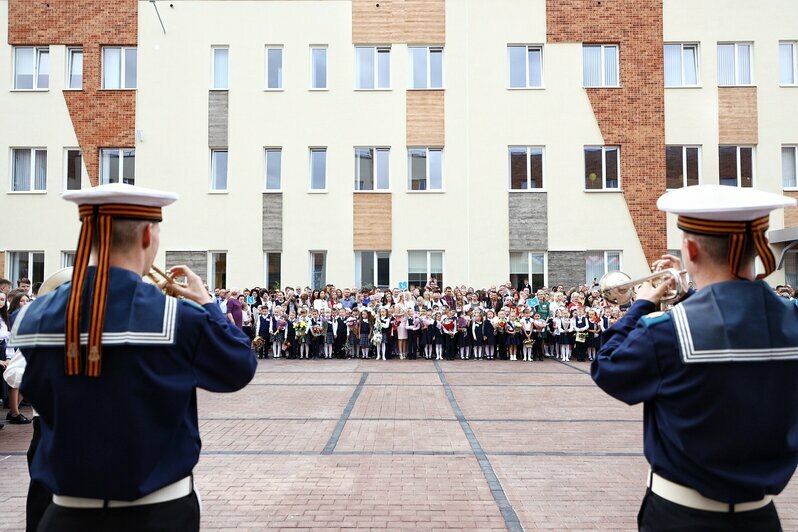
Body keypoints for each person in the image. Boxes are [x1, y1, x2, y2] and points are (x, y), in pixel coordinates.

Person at [10, 183, 256, 531]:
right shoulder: (178, 318)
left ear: (90, 236)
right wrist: (206, 305)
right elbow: (239, 367)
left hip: (65, 514)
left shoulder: (33, 316)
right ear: (147, 234)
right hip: (158, 514)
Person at [592, 185, 798, 531]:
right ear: (757, 248)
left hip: (680, 516)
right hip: (761, 517)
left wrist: (642, 303)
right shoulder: (792, 318)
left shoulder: (665, 331)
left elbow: (608, 367)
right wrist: (689, 293)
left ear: (689, 248)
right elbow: (732, 324)